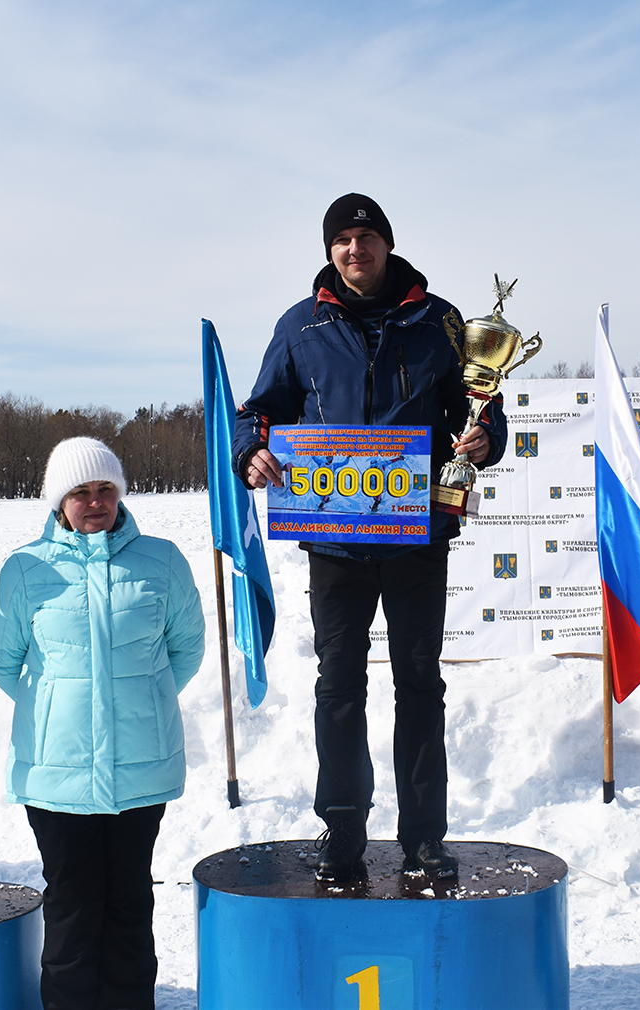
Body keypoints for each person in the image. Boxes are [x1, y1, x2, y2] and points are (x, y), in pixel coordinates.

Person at [232, 193, 507, 881]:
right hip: (336, 545)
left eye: (368, 237)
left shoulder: (440, 320)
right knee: (339, 687)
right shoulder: (301, 326)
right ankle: (344, 836)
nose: (357, 250)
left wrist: (483, 436)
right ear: (330, 251)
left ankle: (423, 841)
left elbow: (482, 403)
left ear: (387, 244)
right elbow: (260, 412)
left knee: (420, 684)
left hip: (418, 537)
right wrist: (251, 453)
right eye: (344, 240)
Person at [0, 437, 205, 1010]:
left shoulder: (162, 561)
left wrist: (142, 699)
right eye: (80, 492)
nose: (95, 501)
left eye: (105, 489)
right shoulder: (26, 569)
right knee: (73, 910)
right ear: (59, 501)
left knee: (130, 904)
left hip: (139, 770)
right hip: (57, 776)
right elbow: (3, 660)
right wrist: (59, 704)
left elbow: (186, 649)